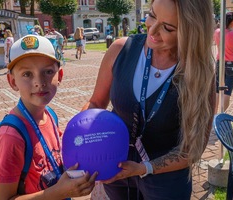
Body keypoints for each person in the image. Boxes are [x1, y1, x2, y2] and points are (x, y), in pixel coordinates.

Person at [82, 0, 215, 199]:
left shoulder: (199, 74)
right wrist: (83, 136)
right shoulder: (121, 50)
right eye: (151, 15)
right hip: (116, 170)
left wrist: (144, 167)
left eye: (168, 28)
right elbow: (96, 104)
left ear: (191, 32)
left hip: (166, 180)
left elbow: (193, 147)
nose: (152, 31)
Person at [0, 34, 97, 199]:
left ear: (59, 76)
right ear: (12, 82)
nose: (39, 82)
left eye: (48, 72)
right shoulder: (11, 138)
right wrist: (60, 192)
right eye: (27, 74)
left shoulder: (50, 115)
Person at [214, 11, 233, 113]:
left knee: (217, 90)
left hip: (219, 62)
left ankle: (213, 115)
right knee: (227, 92)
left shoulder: (217, 32)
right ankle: (223, 115)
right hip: (232, 63)